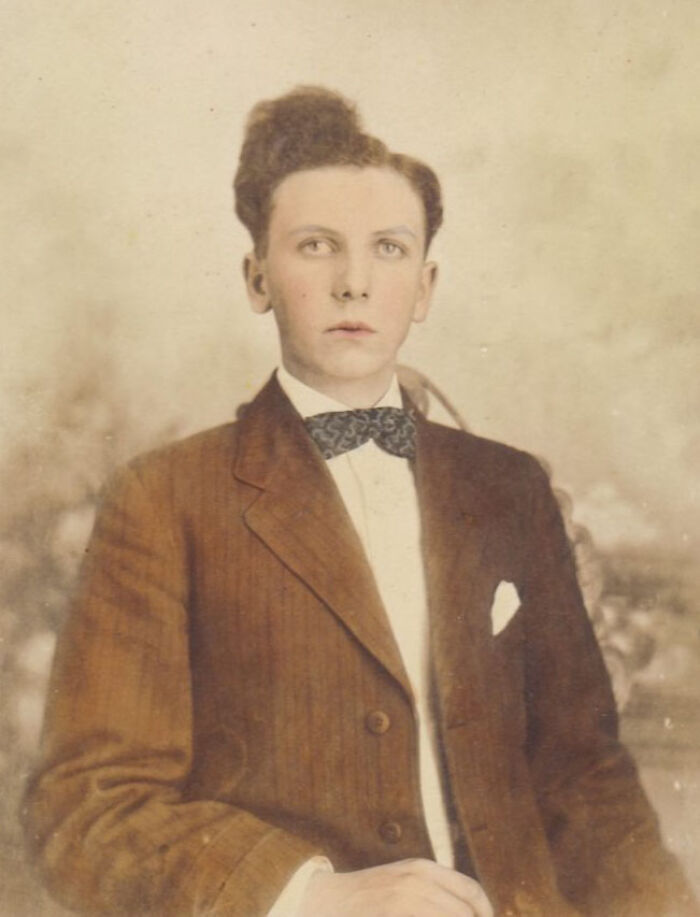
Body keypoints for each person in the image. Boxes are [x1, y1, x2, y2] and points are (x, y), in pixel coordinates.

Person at [24, 86, 698, 917]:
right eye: (316, 247)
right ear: (257, 277)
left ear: (423, 286)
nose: (354, 283)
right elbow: (87, 806)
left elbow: (586, 779)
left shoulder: (509, 487)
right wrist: (312, 894)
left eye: (388, 248)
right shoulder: (165, 498)